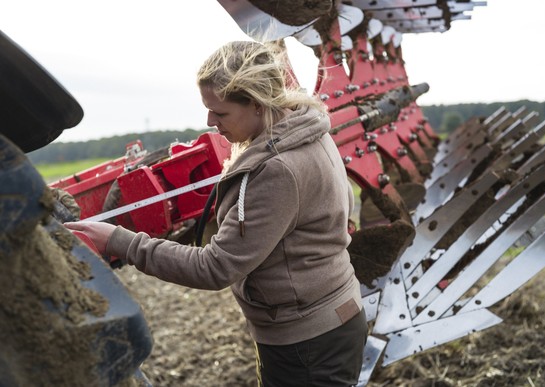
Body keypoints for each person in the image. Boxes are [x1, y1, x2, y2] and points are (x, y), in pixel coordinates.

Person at [65, 40, 367, 386]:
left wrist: (121, 242)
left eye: (220, 113)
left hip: (307, 344)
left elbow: (216, 268)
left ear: (256, 103)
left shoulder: (278, 170)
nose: (210, 122)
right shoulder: (306, 130)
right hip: (327, 321)